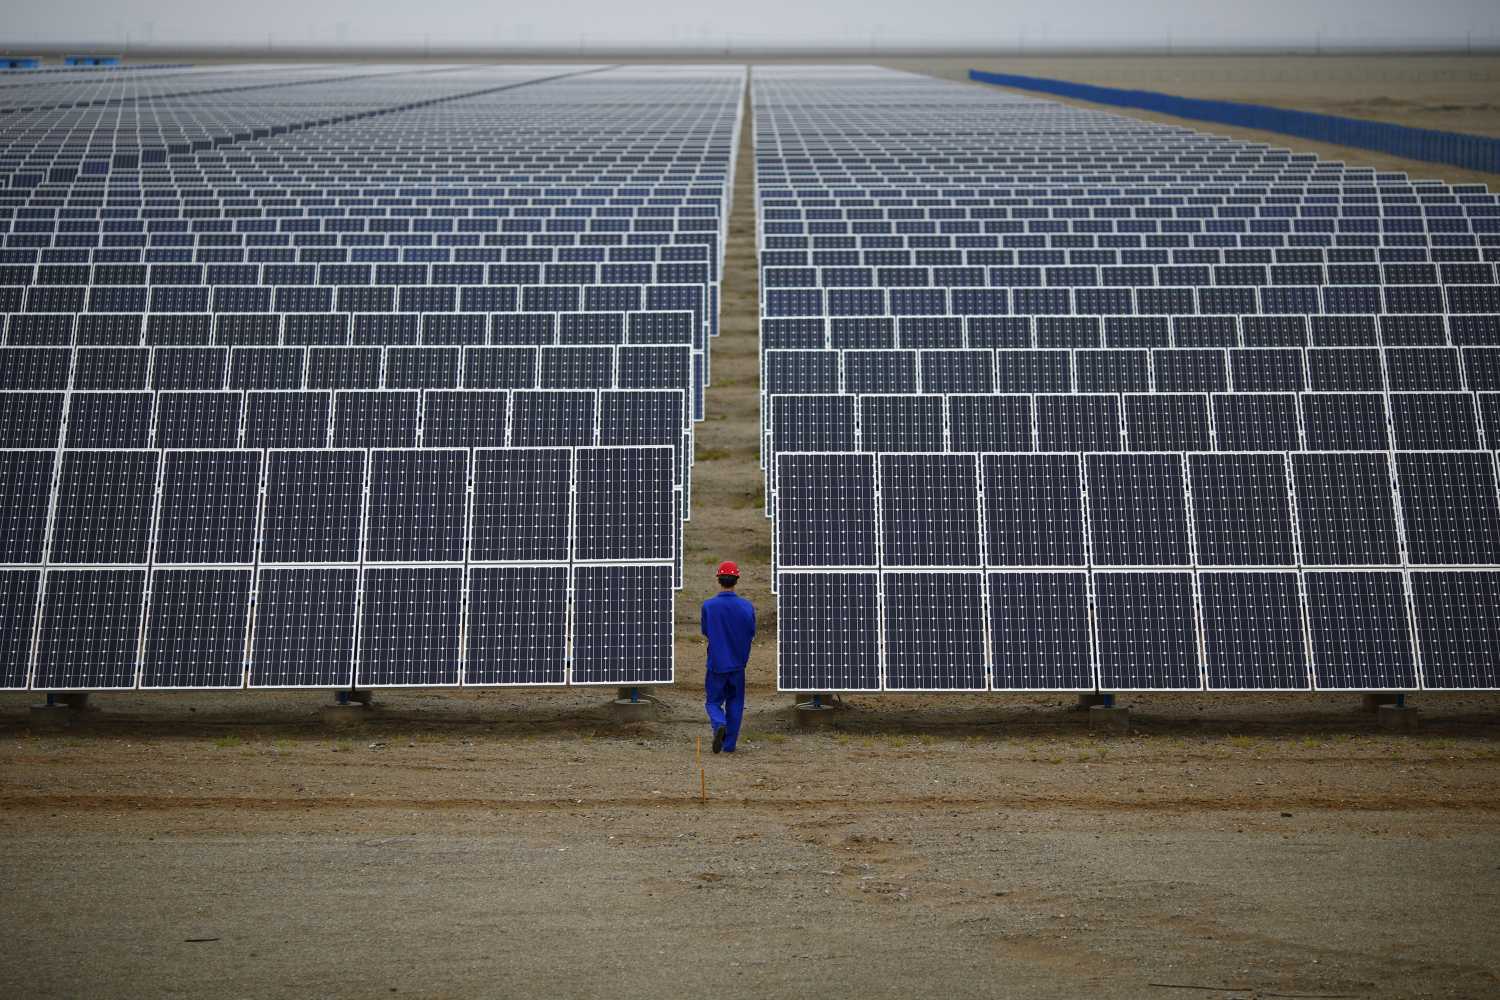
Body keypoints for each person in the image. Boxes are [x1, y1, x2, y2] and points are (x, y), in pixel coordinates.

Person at [700, 560, 756, 754]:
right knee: (736, 702)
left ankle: (719, 723)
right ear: (736, 580)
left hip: (716, 663)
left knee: (713, 701)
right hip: (738, 664)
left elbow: (706, 631)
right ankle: (729, 744)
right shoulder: (747, 607)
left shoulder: (709, 606)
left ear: (719, 579)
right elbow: (751, 631)